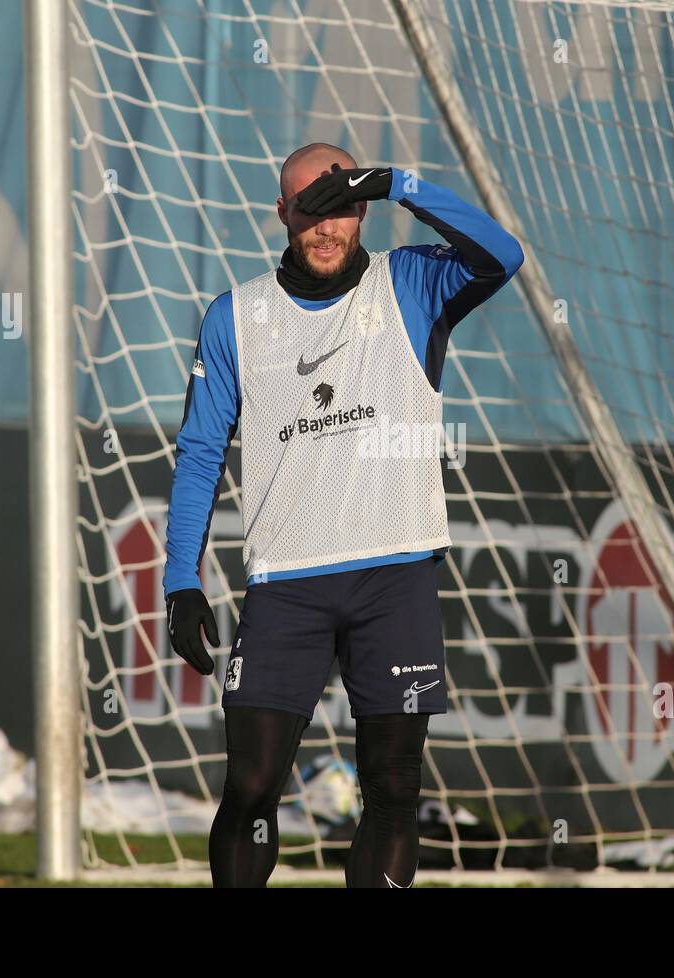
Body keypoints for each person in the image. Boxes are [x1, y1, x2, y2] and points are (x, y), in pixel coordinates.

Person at [163, 142, 523, 887]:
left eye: (342, 207)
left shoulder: (413, 283)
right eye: (308, 209)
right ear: (282, 213)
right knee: (252, 789)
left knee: (391, 792)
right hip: (285, 586)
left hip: (397, 578)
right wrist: (181, 581)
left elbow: (504, 255)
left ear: (362, 209)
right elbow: (201, 452)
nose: (325, 228)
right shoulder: (237, 316)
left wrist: (401, 184)